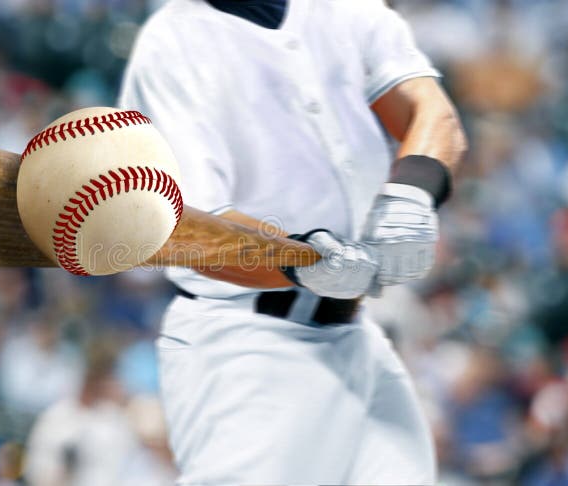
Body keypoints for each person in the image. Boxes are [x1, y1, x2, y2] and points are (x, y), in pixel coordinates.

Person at [118, 0, 467, 484]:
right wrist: (301, 259)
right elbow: (185, 229)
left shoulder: (348, 13)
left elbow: (433, 115)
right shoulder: (173, 42)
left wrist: (412, 192)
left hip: (355, 335)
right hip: (248, 346)